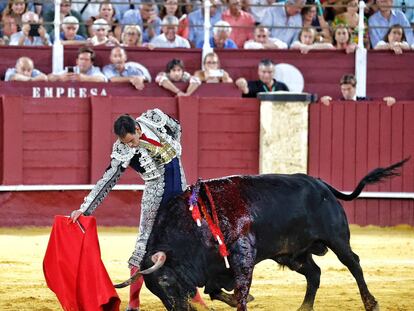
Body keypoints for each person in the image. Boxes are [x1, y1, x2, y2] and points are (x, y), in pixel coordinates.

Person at [69, 111, 207, 311]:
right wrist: (85, 208)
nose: (131, 145)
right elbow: (108, 178)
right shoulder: (122, 149)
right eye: (126, 142)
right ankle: (134, 303)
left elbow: (177, 126)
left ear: (137, 128)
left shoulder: (154, 118)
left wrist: (174, 148)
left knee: (180, 247)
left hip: (181, 194)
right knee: (143, 246)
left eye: (132, 140)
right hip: (155, 197)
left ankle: (197, 300)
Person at [320, 73, 396, 106]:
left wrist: (390, 100)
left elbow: (380, 104)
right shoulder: (337, 103)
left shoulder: (366, 101)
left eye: (349, 89)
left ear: (355, 87)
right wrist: (323, 100)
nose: (346, 92)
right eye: (343, 89)